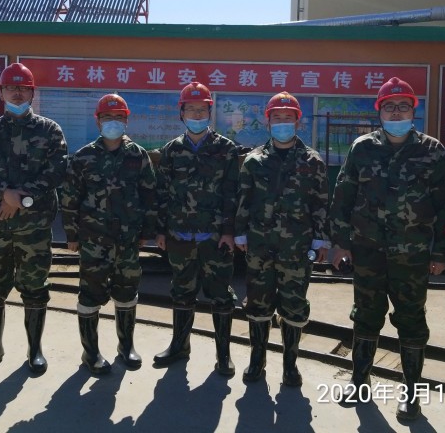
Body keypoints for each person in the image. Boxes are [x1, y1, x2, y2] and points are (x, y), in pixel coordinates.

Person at [329, 77, 445, 420]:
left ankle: (411, 393)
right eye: (389, 107)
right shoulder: (362, 148)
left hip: (412, 254)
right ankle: (359, 381)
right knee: (366, 315)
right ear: (379, 111)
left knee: (411, 319)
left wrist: (441, 252)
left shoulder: (432, 151)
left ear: (413, 111)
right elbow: (342, 198)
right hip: (367, 251)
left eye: (403, 106)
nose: (396, 112)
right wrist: (340, 243)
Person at [0, 62, 67, 375]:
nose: (17, 93)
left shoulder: (50, 130)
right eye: (11, 87)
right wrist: (3, 193)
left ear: (32, 92)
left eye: (23, 88)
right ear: (1, 92)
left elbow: (56, 171)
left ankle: (34, 350)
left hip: (34, 226)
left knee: (35, 285)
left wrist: (19, 199)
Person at [234, 91, 330, 387]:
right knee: (258, 303)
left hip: (296, 248)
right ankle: (257, 360)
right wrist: (240, 232)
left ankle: (290, 364)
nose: (283, 123)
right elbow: (244, 199)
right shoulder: (254, 160)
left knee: (294, 304)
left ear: (298, 122)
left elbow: (321, 202)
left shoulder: (312, 161)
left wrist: (321, 239)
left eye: (288, 118)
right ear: (268, 122)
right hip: (259, 245)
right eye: (277, 117)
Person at [60, 93, 157, 375]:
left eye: (118, 117)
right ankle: (90, 352)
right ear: (98, 121)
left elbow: (150, 195)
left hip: (128, 239)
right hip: (94, 239)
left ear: (126, 121)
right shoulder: (83, 157)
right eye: (107, 117)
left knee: (127, 291)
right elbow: (70, 197)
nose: (112, 122)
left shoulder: (138, 155)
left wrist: (147, 231)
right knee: (90, 293)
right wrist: (72, 234)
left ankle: (125, 346)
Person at [153, 81, 240, 376]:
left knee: (221, 295)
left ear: (210, 112)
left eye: (202, 109)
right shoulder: (172, 150)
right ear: (182, 113)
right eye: (191, 109)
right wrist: (161, 230)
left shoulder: (225, 149)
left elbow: (232, 194)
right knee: (181, 291)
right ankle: (180, 346)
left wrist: (228, 231)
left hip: (215, 238)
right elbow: (162, 193)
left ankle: (223, 355)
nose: (197, 114)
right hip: (180, 235)